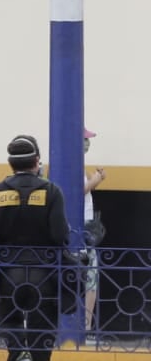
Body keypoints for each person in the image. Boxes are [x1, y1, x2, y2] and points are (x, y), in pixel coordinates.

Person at [0, 134, 70, 361]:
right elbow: (60, 235)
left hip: (9, 272)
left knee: (9, 318)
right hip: (45, 272)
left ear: (11, 164)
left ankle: (19, 355)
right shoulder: (52, 192)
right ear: (37, 161)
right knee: (44, 325)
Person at [81, 127, 105, 336]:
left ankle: (86, 324)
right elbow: (79, 191)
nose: (87, 144)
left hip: (84, 229)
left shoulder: (78, 166)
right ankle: (86, 325)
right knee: (91, 278)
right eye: (85, 140)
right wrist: (95, 180)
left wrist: (95, 180)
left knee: (90, 278)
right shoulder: (72, 165)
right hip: (81, 231)